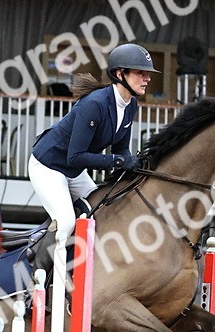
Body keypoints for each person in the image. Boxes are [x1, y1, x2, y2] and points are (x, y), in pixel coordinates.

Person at [28, 43, 158, 242]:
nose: (148, 78)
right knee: (66, 222)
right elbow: (76, 157)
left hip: (73, 172)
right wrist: (119, 161)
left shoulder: (130, 104)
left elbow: (121, 149)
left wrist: (134, 165)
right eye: (141, 72)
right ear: (120, 74)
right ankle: (49, 272)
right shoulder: (94, 104)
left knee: (103, 212)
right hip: (48, 167)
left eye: (147, 73)